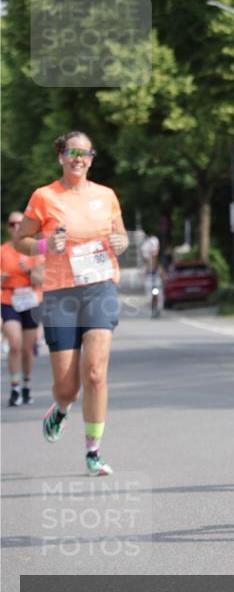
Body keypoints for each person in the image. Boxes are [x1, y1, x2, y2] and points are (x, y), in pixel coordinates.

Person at [13, 131, 128, 475]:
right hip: (60, 292)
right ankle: (61, 409)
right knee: (67, 385)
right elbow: (21, 241)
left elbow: (119, 235)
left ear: (92, 158)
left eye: (85, 152)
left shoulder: (106, 195)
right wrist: (46, 246)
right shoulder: (44, 197)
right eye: (72, 151)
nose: (79, 158)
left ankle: (93, 450)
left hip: (99, 287)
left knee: (95, 373)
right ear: (60, 156)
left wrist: (120, 242)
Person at [1, 211, 44, 406]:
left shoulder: (35, 251)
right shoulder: (2, 251)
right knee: (15, 344)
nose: (16, 227)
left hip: (31, 301)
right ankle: (15, 388)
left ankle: (26, 385)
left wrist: (28, 269)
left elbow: (42, 279)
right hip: (9, 299)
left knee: (27, 349)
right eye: (12, 224)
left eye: (20, 223)